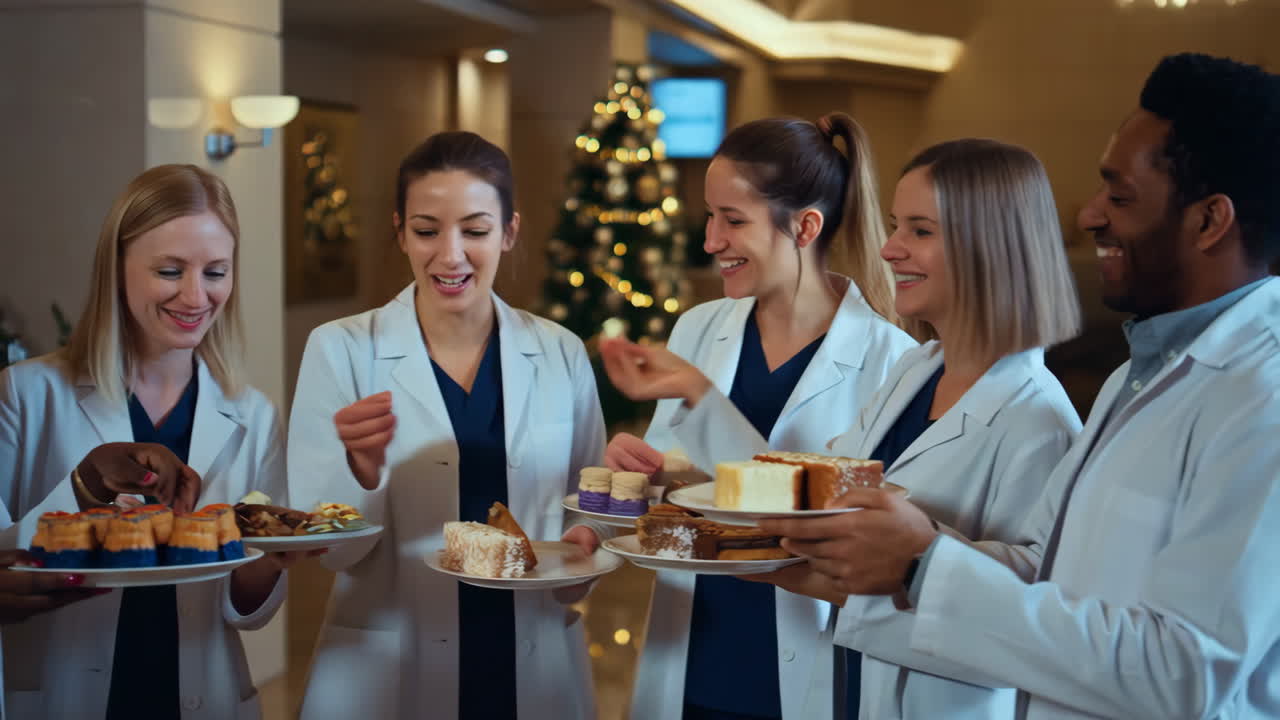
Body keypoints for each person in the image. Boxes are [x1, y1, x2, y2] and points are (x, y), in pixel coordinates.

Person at [763, 52, 1280, 719]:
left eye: (1119, 197)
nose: (1090, 215)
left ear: (1210, 221)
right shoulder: (1141, 372)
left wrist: (920, 564)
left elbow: (1187, 674)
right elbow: (1043, 575)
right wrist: (850, 570)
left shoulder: (1260, 396)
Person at [747, 138, 1083, 719]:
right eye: (897, 226)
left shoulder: (1039, 420)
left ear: (991, 248)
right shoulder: (915, 370)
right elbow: (835, 508)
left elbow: (1030, 618)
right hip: (856, 688)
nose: (889, 248)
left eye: (920, 231)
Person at [601, 113, 918, 720]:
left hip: (804, 652)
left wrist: (701, 399)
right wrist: (646, 471)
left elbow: (847, 521)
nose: (710, 240)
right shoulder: (698, 327)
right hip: (695, 641)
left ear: (804, 226)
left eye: (734, 220)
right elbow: (685, 485)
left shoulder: (890, 361)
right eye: (711, 215)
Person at [289, 131, 608, 720]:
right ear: (400, 231)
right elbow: (327, 551)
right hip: (387, 663)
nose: (451, 254)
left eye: (476, 230)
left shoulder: (560, 352)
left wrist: (584, 551)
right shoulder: (341, 350)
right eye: (427, 230)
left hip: (531, 661)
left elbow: (584, 511)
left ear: (510, 232)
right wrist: (360, 474)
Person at [0, 164, 291, 719]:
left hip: (201, 691)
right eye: (169, 270)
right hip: (61, 691)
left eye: (215, 271)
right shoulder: (26, 395)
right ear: (117, 269)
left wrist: (272, 560)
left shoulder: (253, 415)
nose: (195, 295)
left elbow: (246, 610)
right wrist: (83, 487)